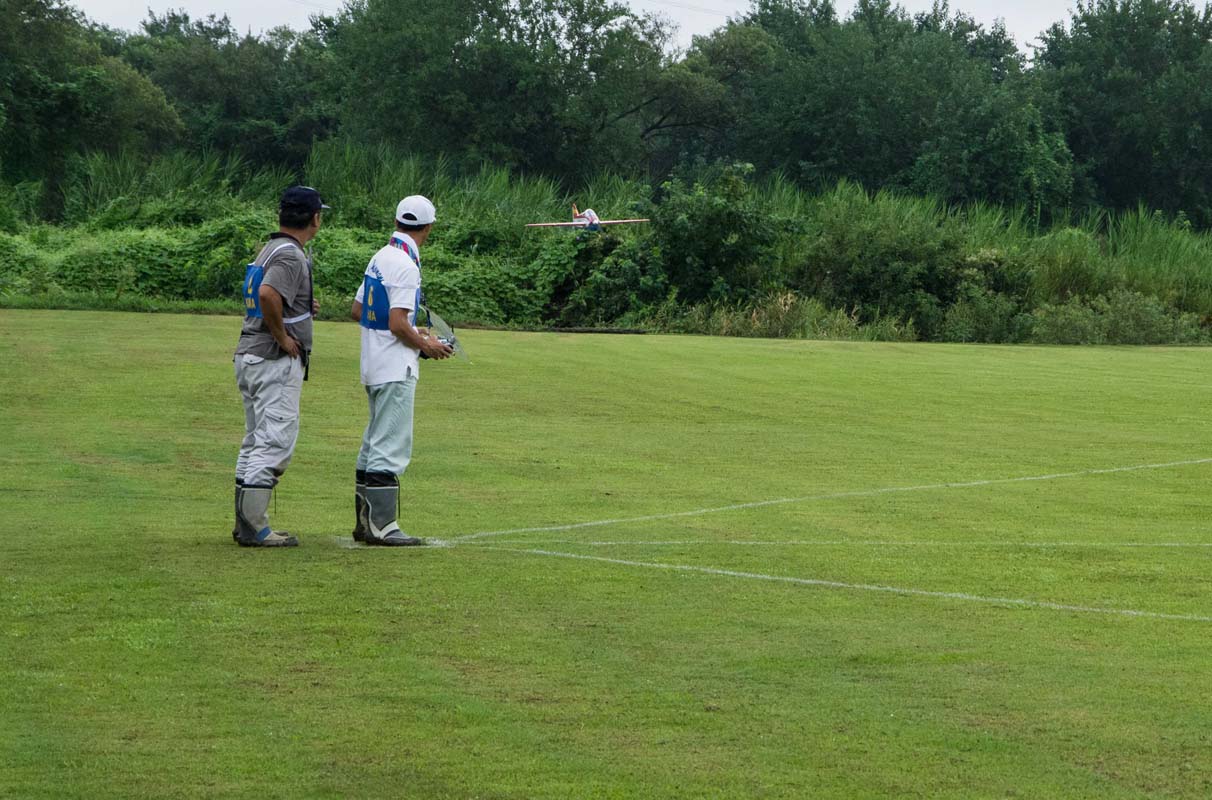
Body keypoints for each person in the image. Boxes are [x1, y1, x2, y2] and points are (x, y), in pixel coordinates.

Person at [349, 195, 452, 546]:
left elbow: (359, 310)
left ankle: (365, 524)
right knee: (389, 445)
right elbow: (396, 322)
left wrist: (414, 331)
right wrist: (426, 344)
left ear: (396, 222)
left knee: (373, 443)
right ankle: (382, 526)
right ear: (428, 228)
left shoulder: (380, 256)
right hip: (395, 366)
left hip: (373, 363)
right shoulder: (407, 265)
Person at [232, 186, 327, 547]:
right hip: (273, 358)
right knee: (274, 442)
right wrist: (283, 336)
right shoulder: (291, 255)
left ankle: (245, 523)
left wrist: (300, 305)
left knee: (255, 440)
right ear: (315, 218)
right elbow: (268, 294)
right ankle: (256, 527)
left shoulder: (271, 248)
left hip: (250, 354)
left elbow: (271, 294)